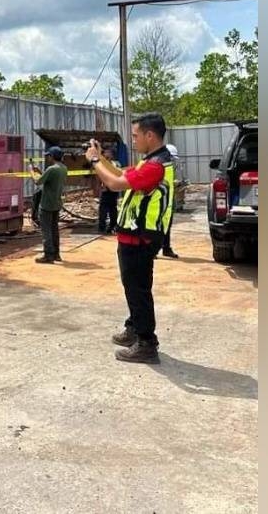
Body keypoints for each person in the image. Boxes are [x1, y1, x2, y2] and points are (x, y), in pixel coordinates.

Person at [84, 113, 175, 364]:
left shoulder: (155, 167)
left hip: (141, 238)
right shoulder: (151, 161)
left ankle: (146, 342)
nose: (133, 141)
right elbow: (121, 174)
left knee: (138, 290)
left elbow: (114, 183)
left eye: (135, 136)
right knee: (134, 287)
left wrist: (93, 161)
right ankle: (135, 326)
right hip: (134, 237)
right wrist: (101, 157)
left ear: (150, 135)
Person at [31, 146, 68, 264]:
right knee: (54, 229)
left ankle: (48, 255)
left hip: (47, 204)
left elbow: (38, 181)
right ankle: (56, 254)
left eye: (48, 156)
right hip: (56, 204)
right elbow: (48, 179)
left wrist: (31, 172)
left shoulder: (51, 169)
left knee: (46, 230)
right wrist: (40, 172)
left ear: (52, 156)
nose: (47, 158)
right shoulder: (63, 168)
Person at [159, 143, 180, 258]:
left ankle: (166, 248)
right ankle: (153, 250)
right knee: (155, 227)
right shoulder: (157, 166)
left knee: (167, 224)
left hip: (169, 200)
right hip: (158, 200)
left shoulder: (170, 168)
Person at [96, 147, 121, 234]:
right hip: (105, 190)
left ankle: (112, 226)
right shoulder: (103, 165)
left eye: (107, 153)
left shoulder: (116, 164)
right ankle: (102, 228)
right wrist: (101, 186)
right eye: (105, 153)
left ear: (111, 155)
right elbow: (100, 176)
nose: (106, 155)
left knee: (112, 209)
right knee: (103, 210)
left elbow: (118, 175)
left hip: (113, 190)